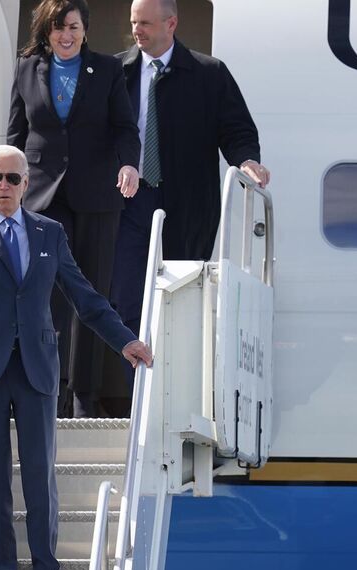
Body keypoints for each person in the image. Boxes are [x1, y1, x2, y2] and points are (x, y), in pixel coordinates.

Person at [0, 145, 152, 570]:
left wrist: (124, 341)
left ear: (27, 183)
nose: (5, 187)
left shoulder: (49, 232)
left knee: (40, 478)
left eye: (13, 179)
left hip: (36, 366)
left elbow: (84, 296)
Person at [8, 0, 141, 418]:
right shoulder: (26, 69)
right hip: (43, 196)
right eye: (57, 28)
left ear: (85, 30)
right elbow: (15, 133)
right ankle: (47, 390)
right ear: (45, 31)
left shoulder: (106, 70)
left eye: (73, 27)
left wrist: (128, 164)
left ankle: (84, 395)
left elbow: (124, 126)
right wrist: (6, 187)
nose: (65, 35)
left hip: (97, 198)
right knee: (46, 295)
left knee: (91, 295)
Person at [112, 0, 271, 338]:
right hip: (128, 202)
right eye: (134, 23)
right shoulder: (115, 73)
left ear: (171, 24)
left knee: (180, 296)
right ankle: (138, 385)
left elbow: (236, 130)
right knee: (125, 300)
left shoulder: (209, 74)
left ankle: (170, 387)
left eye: (145, 24)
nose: (137, 31)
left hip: (187, 204)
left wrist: (246, 161)